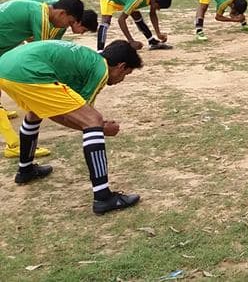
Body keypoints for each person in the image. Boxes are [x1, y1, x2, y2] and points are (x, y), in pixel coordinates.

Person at [0, 39, 143, 214]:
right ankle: (103, 197)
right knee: (93, 120)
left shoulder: (87, 60)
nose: (122, 80)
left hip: (7, 66)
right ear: (121, 66)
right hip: (26, 70)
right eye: (125, 74)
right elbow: (84, 120)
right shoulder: (102, 71)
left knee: (36, 112)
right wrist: (102, 128)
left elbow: (71, 108)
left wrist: (94, 124)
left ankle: (26, 170)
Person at [0, 0, 86, 159]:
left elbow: (28, 39)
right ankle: (13, 145)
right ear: (61, 13)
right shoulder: (41, 18)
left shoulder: (36, 10)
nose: (67, 27)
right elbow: (41, 53)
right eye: (69, 22)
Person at [98, 0, 173, 51]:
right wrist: (131, 42)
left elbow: (152, 14)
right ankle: (100, 51)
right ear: (153, 0)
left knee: (136, 15)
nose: (159, 9)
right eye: (159, 6)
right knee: (106, 20)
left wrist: (158, 33)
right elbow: (121, 20)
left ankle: (152, 42)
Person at [24, 0, 98, 40]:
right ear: (79, 22)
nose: (82, 33)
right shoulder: (61, 20)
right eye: (84, 30)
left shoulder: (66, 6)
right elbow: (48, 44)